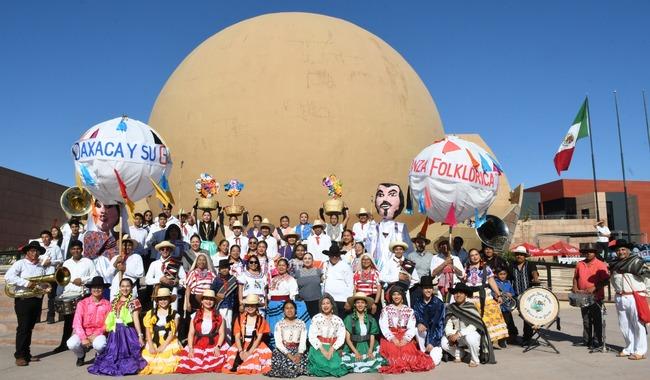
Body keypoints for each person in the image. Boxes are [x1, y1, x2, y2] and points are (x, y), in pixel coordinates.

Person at [88, 278, 146, 376]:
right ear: (119, 288)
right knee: (113, 355)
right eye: (122, 286)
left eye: (127, 286)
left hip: (127, 332)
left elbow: (136, 319)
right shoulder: (115, 300)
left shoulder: (134, 301)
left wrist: (140, 335)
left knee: (127, 354)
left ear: (131, 287)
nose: (125, 288)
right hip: (115, 332)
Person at [5, 241, 48, 366]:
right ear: (27, 252)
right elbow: (9, 277)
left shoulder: (40, 267)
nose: (35, 253)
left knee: (30, 328)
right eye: (32, 251)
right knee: (23, 328)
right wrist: (26, 283)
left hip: (36, 299)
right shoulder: (20, 263)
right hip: (23, 300)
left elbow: (41, 283)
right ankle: (19, 355)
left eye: (37, 251)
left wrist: (45, 287)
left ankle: (26, 353)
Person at [608, 239, 649, 360]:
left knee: (637, 324)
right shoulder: (614, 264)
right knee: (624, 324)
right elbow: (613, 280)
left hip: (634, 296)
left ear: (628, 250)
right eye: (618, 250)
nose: (620, 252)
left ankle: (640, 351)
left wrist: (648, 296)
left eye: (623, 249)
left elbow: (648, 278)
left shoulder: (637, 262)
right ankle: (629, 348)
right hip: (620, 297)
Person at [378, 286, 434, 373]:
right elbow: (383, 326)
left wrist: (405, 339)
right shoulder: (386, 310)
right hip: (390, 336)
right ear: (391, 296)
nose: (396, 297)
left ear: (402, 296)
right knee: (393, 353)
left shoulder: (409, 310)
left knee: (408, 353)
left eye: (398, 294)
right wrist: (392, 338)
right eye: (394, 294)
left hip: (404, 336)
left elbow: (412, 327)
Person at [441, 282, 496, 367]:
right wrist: (449, 335)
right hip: (457, 334)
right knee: (444, 342)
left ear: (465, 295)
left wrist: (459, 334)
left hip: (469, 333)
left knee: (471, 338)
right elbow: (448, 324)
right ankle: (461, 354)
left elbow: (474, 325)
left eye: (461, 293)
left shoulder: (471, 307)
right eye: (456, 293)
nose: (458, 295)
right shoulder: (451, 308)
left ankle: (474, 359)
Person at [56, 240, 97, 353]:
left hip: (83, 294)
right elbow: (61, 280)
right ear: (70, 251)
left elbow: (94, 276)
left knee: (84, 321)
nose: (76, 251)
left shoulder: (88, 262)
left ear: (82, 249)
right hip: (69, 294)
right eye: (73, 249)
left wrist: (82, 280)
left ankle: (86, 343)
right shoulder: (66, 263)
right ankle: (64, 344)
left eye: (78, 248)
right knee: (68, 321)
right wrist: (59, 294)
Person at [176, 289, 229, 373]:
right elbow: (191, 333)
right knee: (192, 363)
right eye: (206, 299)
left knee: (217, 361)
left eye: (211, 299)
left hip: (214, 343)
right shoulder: (195, 315)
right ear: (202, 301)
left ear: (214, 302)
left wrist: (218, 347)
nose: (208, 301)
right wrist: (190, 348)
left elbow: (222, 333)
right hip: (198, 343)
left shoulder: (219, 316)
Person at [464, 248, 508, 346]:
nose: (474, 257)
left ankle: (492, 339)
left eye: (476, 255)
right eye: (472, 255)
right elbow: (463, 281)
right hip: (470, 296)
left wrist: (498, 294)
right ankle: (473, 340)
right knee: (473, 318)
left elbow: (491, 281)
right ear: (469, 257)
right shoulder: (466, 267)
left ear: (479, 256)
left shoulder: (485, 267)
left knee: (491, 313)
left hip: (484, 294)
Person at [365, 183, 413, 271]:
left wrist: (405, 272)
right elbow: (368, 248)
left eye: (392, 194)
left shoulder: (401, 227)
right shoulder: (374, 229)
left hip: (396, 271)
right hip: (376, 270)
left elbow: (408, 252)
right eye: (381, 195)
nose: (385, 199)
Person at [572, 242, 610, 349]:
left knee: (597, 319)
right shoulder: (579, 264)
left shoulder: (600, 264)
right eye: (586, 252)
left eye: (591, 252)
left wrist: (595, 287)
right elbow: (575, 277)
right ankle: (587, 340)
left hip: (596, 297)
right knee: (586, 319)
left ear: (595, 253)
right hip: (582, 296)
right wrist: (574, 287)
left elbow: (606, 280)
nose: (588, 253)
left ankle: (597, 340)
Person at [66, 276, 111, 366]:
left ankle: (99, 355)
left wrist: (97, 334)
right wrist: (83, 338)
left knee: (100, 345)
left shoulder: (108, 305)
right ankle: (81, 355)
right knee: (71, 343)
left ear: (103, 289)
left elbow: (108, 323)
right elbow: (77, 323)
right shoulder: (82, 303)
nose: (97, 289)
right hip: (83, 332)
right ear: (90, 289)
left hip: (99, 333)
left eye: (99, 287)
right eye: (94, 287)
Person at [223, 294, 273, 374]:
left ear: (256, 306)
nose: (250, 307)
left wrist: (249, 352)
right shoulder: (239, 318)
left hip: (255, 345)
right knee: (234, 360)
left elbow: (258, 338)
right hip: (241, 344)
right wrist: (240, 351)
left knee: (254, 359)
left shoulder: (261, 320)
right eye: (248, 305)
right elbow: (237, 336)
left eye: (252, 305)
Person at [267, 258, 310, 346]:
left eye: (283, 265)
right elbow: (270, 294)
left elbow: (293, 295)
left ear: (287, 267)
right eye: (279, 265)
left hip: (282, 307)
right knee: (273, 328)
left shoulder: (291, 279)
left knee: (282, 329)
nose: (281, 267)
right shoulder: (273, 279)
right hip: (272, 307)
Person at [140, 287, 182, 374]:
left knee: (166, 358)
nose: (163, 301)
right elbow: (148, 330)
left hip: (168, 340)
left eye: (165, 299)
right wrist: (151, 345)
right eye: (160, 299)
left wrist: (163, 346)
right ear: (157, 301)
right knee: (149, 358)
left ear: (169, 300)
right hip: (154, 339)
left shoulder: (174, 314)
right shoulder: (151, 313)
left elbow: (172, 332)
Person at [341, 292, 386, 373]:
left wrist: (370, 350)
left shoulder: (371, 319)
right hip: (354, 346)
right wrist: (356, 352)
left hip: (367, 345)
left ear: (366, 304)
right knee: (351, 362)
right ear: (354, 304)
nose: (360, 305)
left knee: (374, 362)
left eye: (362, 302)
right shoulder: (349, 318)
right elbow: (347, 339)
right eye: (358, 302)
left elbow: (372, 336)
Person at [307, 294, 349, 377]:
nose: (325, 305)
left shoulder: (338, 320)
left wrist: (332, 349)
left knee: (335, 366)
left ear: (332, 305)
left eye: (328, 303)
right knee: (321, 366)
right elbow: (311, 336)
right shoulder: (316, 318)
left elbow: (341, 336)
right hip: (319, 347)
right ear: (320, 306)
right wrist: (323, 350)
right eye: (323, 304)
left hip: (332, 347)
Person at [266, 300, 309, 378]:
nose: (289, 310)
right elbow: (278, 343)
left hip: (297, 351)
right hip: (283, 351)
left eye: (291, 308)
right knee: (288, 366)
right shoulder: (279, 324)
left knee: (300, 364)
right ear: (283, 311)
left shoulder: (301, 323)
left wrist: (299, 354)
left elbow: (303, 341)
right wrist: (289, 355)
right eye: (287, 308)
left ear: (295, 310)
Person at [509, 245, 539, 344]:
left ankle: (527, 338)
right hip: (516, 294)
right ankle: (514, 334)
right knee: (516, 314)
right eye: (517, 254)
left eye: (521, 255)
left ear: (525, 256)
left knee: (527, 316)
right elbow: (508, 278)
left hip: (528, 295)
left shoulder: (530, 264)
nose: (519, 256)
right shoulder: (511, 265)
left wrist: (535, 279)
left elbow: (534, 273)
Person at [412, 275, 445, 365]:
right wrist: (418, 323)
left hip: (435, 338)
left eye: (430, 288)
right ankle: (422, 352)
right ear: (422, 289)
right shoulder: (417, 302)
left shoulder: (439, 303)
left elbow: (440, 325)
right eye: (426, 288)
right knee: (416, 329)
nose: (428, 290)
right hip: (423, 335)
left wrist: (432, 343)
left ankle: (431, 351)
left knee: (433, 362)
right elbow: (416, 317)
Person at [145, 240, 186, 310]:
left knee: (173, 314)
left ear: (171, 250)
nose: (165, 251)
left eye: (167, 249)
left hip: (172, 292)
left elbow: (184, 279)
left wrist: (178, 282)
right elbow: (147, 280)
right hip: (158, 292)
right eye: (162, 249)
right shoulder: (154, 264)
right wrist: (159, 280)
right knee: (157, 313)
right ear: (160, 251)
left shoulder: (176, 263)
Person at [322, 242, 354, 318]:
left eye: (336, 255)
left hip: (342, 300)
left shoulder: (345, 266)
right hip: (329, 300)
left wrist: (348, 301)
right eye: (332, 255)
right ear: (329, 256)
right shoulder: (325, 265)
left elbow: (350, 284)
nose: (334, 257)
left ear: (339, 256)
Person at [210, 260, 239, 342]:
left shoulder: (233, 279)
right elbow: (212, 291)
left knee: (228, 325)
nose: (224, 270)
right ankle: (219, 342)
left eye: (226, 268)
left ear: (229, 268)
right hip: (220, 305)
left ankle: (228, 343)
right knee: (220, 324)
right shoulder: (216, 280)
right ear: (219, 270)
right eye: (222, 268)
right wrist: (217, 295)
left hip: (230, 305)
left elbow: (236, 293)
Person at [108, 235, 144, 300]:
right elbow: (109, 274)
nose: (126, 247)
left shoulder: (137, 257)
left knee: (130, 308)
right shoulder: (116, 258)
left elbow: (140, 273)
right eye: (124, 245)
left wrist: (125, 269)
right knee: (115, 307)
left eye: (129, 245)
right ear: (121, 246)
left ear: (132, 247)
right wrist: (116, 262)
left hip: (130, 288)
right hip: (116, 287)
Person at [40, 229, 64, 323]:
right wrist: (42, 262)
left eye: (46, 237)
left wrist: (51, 262)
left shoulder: (55, 247)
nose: (44, 239)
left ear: (50, 238)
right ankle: (37, 317)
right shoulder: (39, 248)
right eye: (43, 237)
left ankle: (51, 317)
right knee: (39, 297)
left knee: (51, 297)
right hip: (40, 276)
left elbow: (61, 260)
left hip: (51, 275)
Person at [494, 266, 519, 345]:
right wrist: (500, 294)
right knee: (500, 324)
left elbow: (513, 293)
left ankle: (512, 338)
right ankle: (501, 341)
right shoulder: (495, 283)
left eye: (504, 274)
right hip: (498, 307)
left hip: (507, 307)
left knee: (509, 323)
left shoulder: (508, 283)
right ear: (497, 275)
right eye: (500, 274)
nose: (502, 276)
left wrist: (510, 294)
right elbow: (492, 293)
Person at [353, 253, 382, 318]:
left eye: (368, 259)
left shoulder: (376, 273)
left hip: (373, 298)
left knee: (373, 319)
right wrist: (355, 301)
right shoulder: (357, 273)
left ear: (371, 261)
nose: (365, 261)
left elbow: (379, 288)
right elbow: (354, 288)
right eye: (363, 259)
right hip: (360, 298)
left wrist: (375, 303)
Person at [294, 252, 323, 317]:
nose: (307, 260)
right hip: (303, 302)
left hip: (317, 302)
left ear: (312, 261)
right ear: (303, 260)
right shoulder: (298, 273)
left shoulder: (318, 271)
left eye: (309, 258)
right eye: (305, 258)